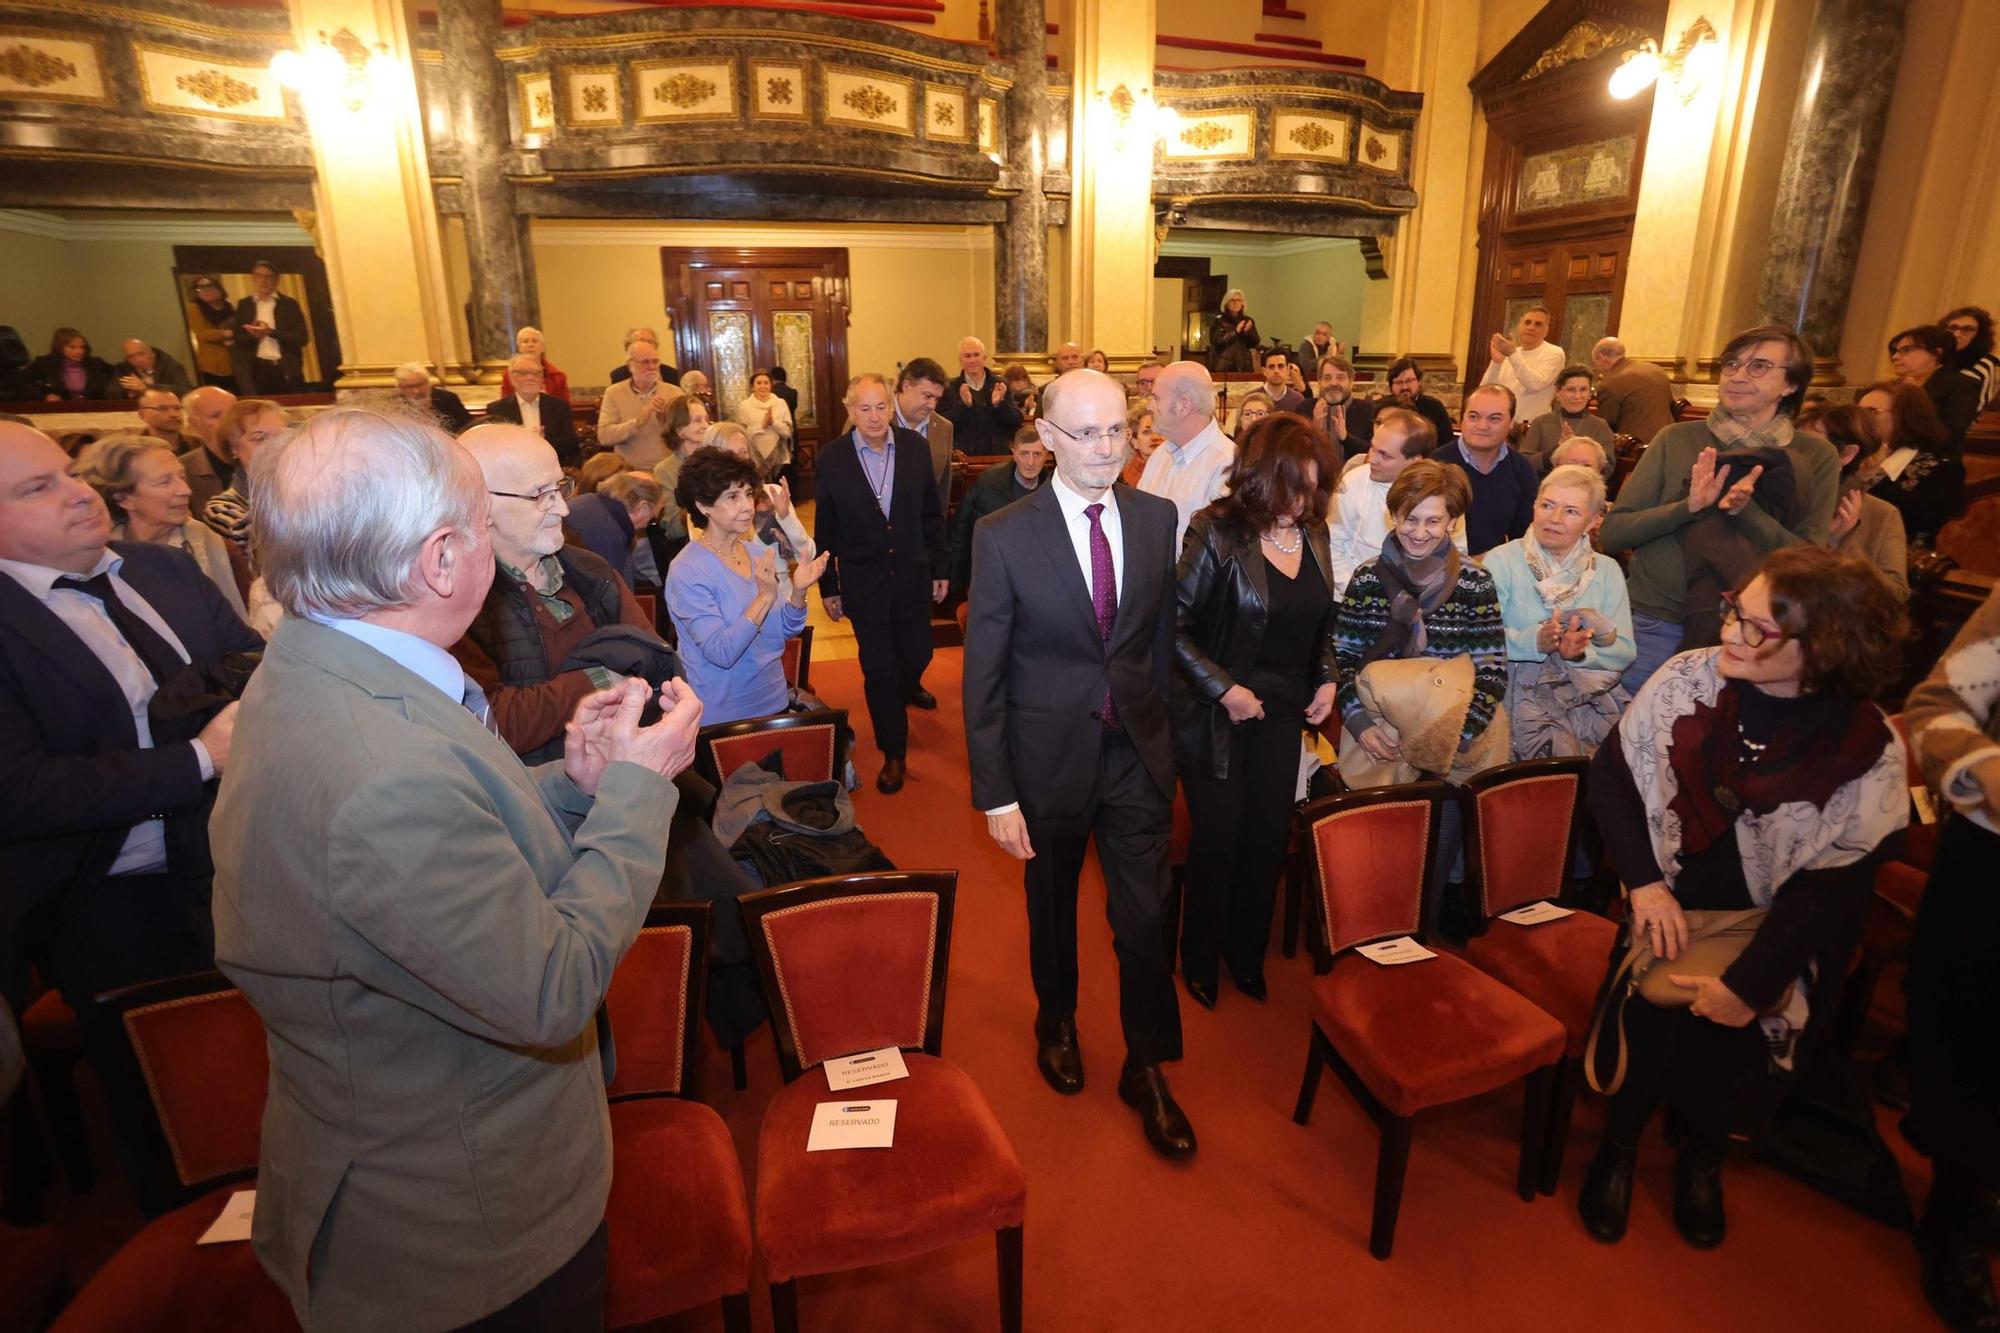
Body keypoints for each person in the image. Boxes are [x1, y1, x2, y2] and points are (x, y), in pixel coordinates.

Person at [209, 406, 701, 1330]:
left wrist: (578, 784)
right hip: (464, 1235)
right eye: (483, 524)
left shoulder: (334, 665)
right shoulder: (376, 771)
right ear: (441, 559)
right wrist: (638, 792)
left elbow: (453, 842)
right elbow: (550, 986)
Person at [1579, 547, 1908, 1253]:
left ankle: (1704, 1159)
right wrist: (1642, 882)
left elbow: (1834, 886)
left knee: (1735, 1059)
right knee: (1648, 1032)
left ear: (1822, 651)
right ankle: (1619, 1148)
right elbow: (1611, 776)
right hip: (1669, 900)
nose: (1730, 632)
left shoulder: (1865, 746)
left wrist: (1751, 982)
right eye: (1735, 611)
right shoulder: (1685, 678)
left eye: (1756, 628)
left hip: (1774, 929)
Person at [963, 368, 1194, 1160]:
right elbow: (983, 670)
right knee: (1052, 904)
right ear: (1048, 438)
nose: (1104, 447)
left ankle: (1147, 1063)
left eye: (1116, 431)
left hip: (1134, 752)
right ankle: (1055, 1018)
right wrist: (995, 790)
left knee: (1142, 915)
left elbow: (1156, 645)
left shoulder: (1158, 518)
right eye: (1085, 433)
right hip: (1045, 760)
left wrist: (1164, 741)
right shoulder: (1003, 534)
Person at [0, 420, 260, 1017]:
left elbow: (251, 661)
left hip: (244, 855)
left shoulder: (161, 570)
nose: (79, 493)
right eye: (38, 488)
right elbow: (20, 792)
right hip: (112, 896)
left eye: (69, 474)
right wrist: (200, 758)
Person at [1172, 415, 1339, 1006]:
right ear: (1258, 477)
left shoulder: (1313, 534)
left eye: (1313, 488)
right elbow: (1172, 629)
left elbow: (1319, 624)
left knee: (1267, 839)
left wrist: (1327, 677)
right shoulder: (1215, 531)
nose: (1301, 503)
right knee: (1219, 840)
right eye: (1290, 487)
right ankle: (1199, 958)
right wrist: (1224, 689)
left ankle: (1245, 954)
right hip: (1218, 713)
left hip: (1286, 709)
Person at [1599, 325, 1839, 695]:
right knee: (1633, 738)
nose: (1738, 375)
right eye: (1731, 364)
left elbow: (1809, 559)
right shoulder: (1677, 439)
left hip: (1754, 635)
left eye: (1758, 366)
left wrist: (1746, 512)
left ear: (1791, 384)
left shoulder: (1814, 456)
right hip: (1655, 623)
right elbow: (1615, 532)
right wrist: (1689, 507)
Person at [1901, 582, 2000, 1328]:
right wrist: (1986, 771)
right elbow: (1937, 709)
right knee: (1977, 1049)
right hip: (1991, 859)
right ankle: (1958, 1214)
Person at [1333, 459, 1506, 782]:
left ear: (1452, 521)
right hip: (1382, 732)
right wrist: (1360, 724)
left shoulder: (1475, 582)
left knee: (1447, 829)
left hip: (1454, 732)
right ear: (1393, 515)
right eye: (1410, 519)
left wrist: (1455, 734)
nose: (1420, 532)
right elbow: (1342, 657)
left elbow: (1492, 667)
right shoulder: (1367, 578)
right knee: (1388, 827)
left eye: (1433, 521)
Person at [815, 373, 948, 792]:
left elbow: (931, 512)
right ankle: (894, 753)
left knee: (918, 652)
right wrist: (829, 585)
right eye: (864, 408)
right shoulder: (832, 458)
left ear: (892, 407)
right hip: (863, 581)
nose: (874, 417)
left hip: (912, 575)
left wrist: (940, 567)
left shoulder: (914, 448)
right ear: (849, 409)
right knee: (878, 669)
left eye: (881, 407)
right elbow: (826, 526)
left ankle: (905, 687)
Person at [667, 447, 829, 726]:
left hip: (773, 698)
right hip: (723, 714)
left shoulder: (755, 553)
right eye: (732, 497)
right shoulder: (687, 570)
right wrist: (765, 597)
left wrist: (799, 592)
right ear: (702, 506)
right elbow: (722, 653)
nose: (747, 506)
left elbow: (785, 630)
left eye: (748, 494)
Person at [1483, 465, 1634, 758]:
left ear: (1593, 521)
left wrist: (1577, 653)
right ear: (1534, 506)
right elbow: (1481, 638)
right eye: (1547, 506)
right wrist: (1535, 642)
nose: (1554, 519)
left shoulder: (1606, 571)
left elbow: (1624, 651)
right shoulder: (1502, 561)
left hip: (1583, 704)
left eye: (1571, 512)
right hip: (1509, 698)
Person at [78, 434, 248, 620]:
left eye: (182, 477)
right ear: (123, 498)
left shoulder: (205, 541)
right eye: (164, 482)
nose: (185, 490)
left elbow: (236, 622)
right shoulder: (98, 553)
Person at [1327, 406, 1467, 598]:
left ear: (1414, 461)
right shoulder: (1353, 482)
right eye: (1373, 448)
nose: (1372, 459)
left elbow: (1456, 554)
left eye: (1385, 455)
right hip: (1354, 595)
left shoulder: (1443, 494)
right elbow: (1332, 544)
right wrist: (1357, 591)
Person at [1804, 404, 1907, 601]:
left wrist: (1838, 546)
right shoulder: (1781, 497)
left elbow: (1895, 594)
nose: (1798, 453)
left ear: (1847, 454)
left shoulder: (1881, 513)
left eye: (1812, 446)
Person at [1856, 377, 1964, 547]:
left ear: (1906, 417)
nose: (1859, 420)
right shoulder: (1849, 455)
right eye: (1857, 412)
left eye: (1871, 412)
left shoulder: (1943, 468)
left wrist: (1874, 474)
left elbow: (1923, 521)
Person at [1142, 361, 1236, 549]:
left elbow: (1217, 552)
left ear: (1183, 405)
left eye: (1156, 398)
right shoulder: (1160, 455)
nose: (1149, 406)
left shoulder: (1227, 464)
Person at [1435, 383, 1538, 554]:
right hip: (1438, 568)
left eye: (1494, 419)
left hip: (1495, 568)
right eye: (1474, 417)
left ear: (1512, 423)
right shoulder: (1436, 464)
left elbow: (1524, 538)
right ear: (1462, 419)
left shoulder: (1522, 470)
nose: (1482, 426)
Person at [951, 424, 1049, 596]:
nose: (1030, 462)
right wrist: (955, 579)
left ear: (1046, 455)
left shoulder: (1053, 489)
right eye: (1024, 453)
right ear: (1014, 453)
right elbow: (961, 530)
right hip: (992, 577)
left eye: (1037, 454)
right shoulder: (988, 482)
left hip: (1035, 582)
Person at [1889, 324, 1983, 446]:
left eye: (1906, 350)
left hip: (1933, 459)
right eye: (1896, 351)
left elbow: (1950, 436)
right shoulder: (1894, 386)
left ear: (1936, 353)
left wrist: (1914, 401)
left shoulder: (1963, 385)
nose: (1895, 357)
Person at [563, 470, 659, 588]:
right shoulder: (610, 534)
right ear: (642, 507)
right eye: (653, 518)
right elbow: (613, 596)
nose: (647, 525)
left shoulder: (588, 501)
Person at [596, 340, 682, 469]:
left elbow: (686, 432)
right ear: (630, 366)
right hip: (628, 470)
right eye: (645, 362)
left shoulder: (674, 392)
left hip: (668, 469)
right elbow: (604, 436)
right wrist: (637, 422)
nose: (652, 367)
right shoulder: (614, 393)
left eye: (655, 361)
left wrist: (666, 421)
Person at [486, 353, 581, 468]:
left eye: (536, 373)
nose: (530, 378)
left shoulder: (559, 407)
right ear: (511, 378)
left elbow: (571, 444)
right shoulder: (497, 410)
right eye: (523, 373)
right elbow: (493, 449)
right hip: (513, 470)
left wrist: (543, 441)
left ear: (542, 379)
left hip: (552, 468)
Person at [230, 260, 309, 393]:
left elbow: (302, 338)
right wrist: (254, 335)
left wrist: (270, 332)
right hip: (259, 368)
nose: (263, 280)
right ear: (253, 278)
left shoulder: (289, 304)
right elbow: (238, 339)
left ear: (277, 279)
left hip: (287, 368)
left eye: (268, 276)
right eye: (259, 275)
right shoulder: (245, 305)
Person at [1519, 365, 1613, 472]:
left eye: (1583, 390)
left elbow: (1608, 467)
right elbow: (1524, 463)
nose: (1578, 396)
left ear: (1589, 394)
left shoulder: (1600, 426)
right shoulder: (1541, 423)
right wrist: (1557, 449)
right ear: (1558, 393)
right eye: (1571, 390)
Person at [940, 336, 1024, 455]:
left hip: (997, 456)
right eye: (967, 356)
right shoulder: (949, 388)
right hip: (963, 458)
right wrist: (962, 405)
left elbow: (1015, 422)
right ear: (960, 360)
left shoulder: (1000, 384)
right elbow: (943, 427)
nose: (972, 360)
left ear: (984, 358)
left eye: (976, 355)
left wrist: (1000, 404)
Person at [1481, 306, 1565, 421]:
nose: (1531, 327)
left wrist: (1512, 354)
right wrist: (1496, 362)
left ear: (1546, 330)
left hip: (1533, 426)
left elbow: (1534, 385)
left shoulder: (1554, 353)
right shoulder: (1512, 353)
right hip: (1503, 423)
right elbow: (1485, 390)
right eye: (1527, 322)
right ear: (1520, 326)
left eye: (1538, 324)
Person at [1590, 336, 1677, 445]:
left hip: (1633, 448)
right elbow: (1672, 406)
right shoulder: (1656, 370)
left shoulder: (1610, 383)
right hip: (1667, 440)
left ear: (1602, 358)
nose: (1598, 370)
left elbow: (1605, 426)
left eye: (1595, 364)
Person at [895, 357, 956, 498]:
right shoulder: (874, 420)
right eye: (927, 396)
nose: (932, 405)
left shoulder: (944, 428)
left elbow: (942, 489)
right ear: (906, 386)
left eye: (936, 399)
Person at [178, 385, 237, 513]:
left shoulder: (267, 461)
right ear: (194, 424)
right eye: (216, 416)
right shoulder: (182, 469)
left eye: (233, 412)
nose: (229, 421)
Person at [1307, 354, 1376, 458]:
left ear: (1351, 382)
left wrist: (1346, 438)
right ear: (1319, 382)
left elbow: (1373, 452)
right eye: (1327, 378)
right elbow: (1294, 452)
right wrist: (1314, 431)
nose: (1333, 383)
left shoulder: (1367, 410)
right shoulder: (1305, 408)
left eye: (1340, 377)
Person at [1380, 356, 1455, 450]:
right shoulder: (1383, 407)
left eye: (1409, 381)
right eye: (1398, 382)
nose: (1404, 387)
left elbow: (1446, 444)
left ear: (1419, 382)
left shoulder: (1435, 407)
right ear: (1391, 386)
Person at [733, 369, 795, 478]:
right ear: (752, 387)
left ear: (771, 386)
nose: (763, 386)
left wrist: (773, 423)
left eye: (766, 383)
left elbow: (788, 432)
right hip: (755, 458)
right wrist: (762, 425)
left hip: (779, 457)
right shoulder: (745, 406)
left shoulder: (780, 403)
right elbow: (742, 434)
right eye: (759, 383)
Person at [183, 275, 238, 390]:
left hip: (235, 364)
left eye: (210, 286)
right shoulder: (194, 308)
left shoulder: (229, 307)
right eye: (200, 288)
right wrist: (228, 334)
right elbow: (202, 333)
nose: (206, 290)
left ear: (219, 289)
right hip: (213, 366)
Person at [29, 328, 116, 401]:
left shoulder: (96, 364)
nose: (80, 351)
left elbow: (116, 374)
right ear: (60, 348)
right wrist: (44, 396)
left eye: (82, 347)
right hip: (57, 412)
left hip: (92, 411)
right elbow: (25, 384)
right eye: (72, 347)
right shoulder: (45, 363)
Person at [1940, 304, 1998, 410]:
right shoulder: (1938, 357)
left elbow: (1971, 411)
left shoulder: (1983, 364)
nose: (1957, 334)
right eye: (1953, 328)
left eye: (1967, 329)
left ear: (1980, 334)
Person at [392, 362, 471, 434]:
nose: (417, 391)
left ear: (428, 382)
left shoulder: (448, 399)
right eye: (409, 387)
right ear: (400, 388)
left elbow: (466, 427)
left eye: (420, 385)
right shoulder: (394, 405)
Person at [499, 325, 569, 403]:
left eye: (535, 341)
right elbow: (505, 404)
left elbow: (564, 407)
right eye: (525, 341)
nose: (530, 345)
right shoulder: (509, 375)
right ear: (519, 348)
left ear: (542, 347)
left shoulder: (558, 377)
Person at [111, 338, 193, 398]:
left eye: (141, 354)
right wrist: (130, 392)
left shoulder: (170, 365)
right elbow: (111, 393)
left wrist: (147, 387)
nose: (138, 360)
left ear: (152, 353)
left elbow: (185, 390)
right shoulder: (123, 368)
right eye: (131, 357)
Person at [608, 326, 681, 387]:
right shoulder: (618, 375)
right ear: (628, 347)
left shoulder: (672, 374)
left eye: (650, 342)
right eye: (641, 341)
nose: (646, 345)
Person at [1209, 289, 1259, 373]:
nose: (1235, 303)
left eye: (1238, 300)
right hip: (1224, 366)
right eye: (1232, 300)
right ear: (1226, 303)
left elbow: (1255, 343)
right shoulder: (1219, 321)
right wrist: (1235, 332)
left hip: (1244, 366)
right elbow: (1217, 341)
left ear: (1242, 303)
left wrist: (1247, 332)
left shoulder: (1247, 321)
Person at [1121, 400, 1162, 488]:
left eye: (1159, 430)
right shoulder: (1123, 477)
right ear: (1134, 441)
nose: (1155, 437)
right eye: (1147, 432)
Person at [1258, 348, 1305, 414]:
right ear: (1264, 371)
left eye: (1281, 366)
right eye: (1271, 367)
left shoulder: (1297, 399)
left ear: (1288, 369)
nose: (1276, 371)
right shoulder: (1253, 398)